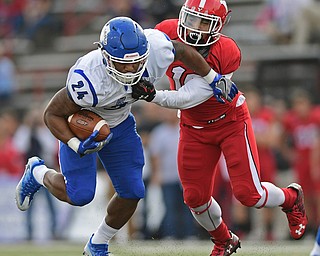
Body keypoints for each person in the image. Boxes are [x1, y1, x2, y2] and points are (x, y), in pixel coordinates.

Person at [15, 16, 238, 256]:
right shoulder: (87, 78)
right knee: (79, 195)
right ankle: (37, 171)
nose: (132, 69)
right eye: (124, 64)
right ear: (106, 57)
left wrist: (212, 77)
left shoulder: (156, 49)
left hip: (120, 125)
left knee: (133, 192)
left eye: (137, 62)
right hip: (85, 126)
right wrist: (76, 143)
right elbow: (52, 114)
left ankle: (97, 245)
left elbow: (182, 49)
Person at [131, 0, 308, 255]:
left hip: (230, 123)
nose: (194, 29)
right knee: (194, 197)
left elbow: (189, 97)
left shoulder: (226, 51)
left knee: (250, 195)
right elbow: (147, 58)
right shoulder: (165, 31)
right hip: (193, 127)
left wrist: (152, 96)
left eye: (204, 22)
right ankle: (224, 240)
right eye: (191, 19)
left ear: (218, 26)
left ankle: (291, 198)